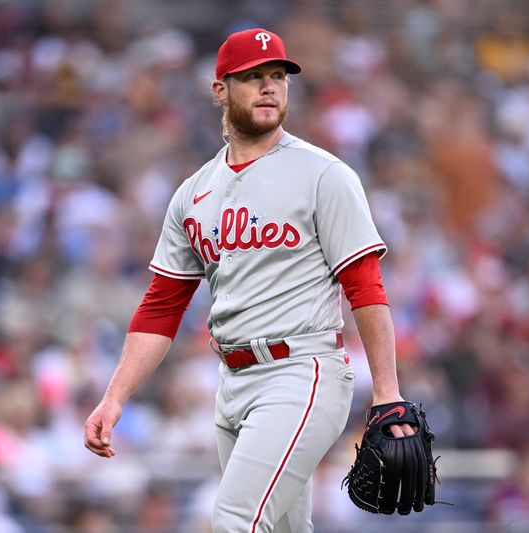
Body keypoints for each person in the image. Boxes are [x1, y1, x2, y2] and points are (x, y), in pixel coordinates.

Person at [83, 27, 413, 532]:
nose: (269, 87)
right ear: (220, 90)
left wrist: (387, 391)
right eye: (253, 77)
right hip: (232, 382)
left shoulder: (323, 175)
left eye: (278, 76)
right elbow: (161, 306)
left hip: (301, 372)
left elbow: (365, 285)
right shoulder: (193, 193)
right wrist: (115, 396)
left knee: (235, 518)